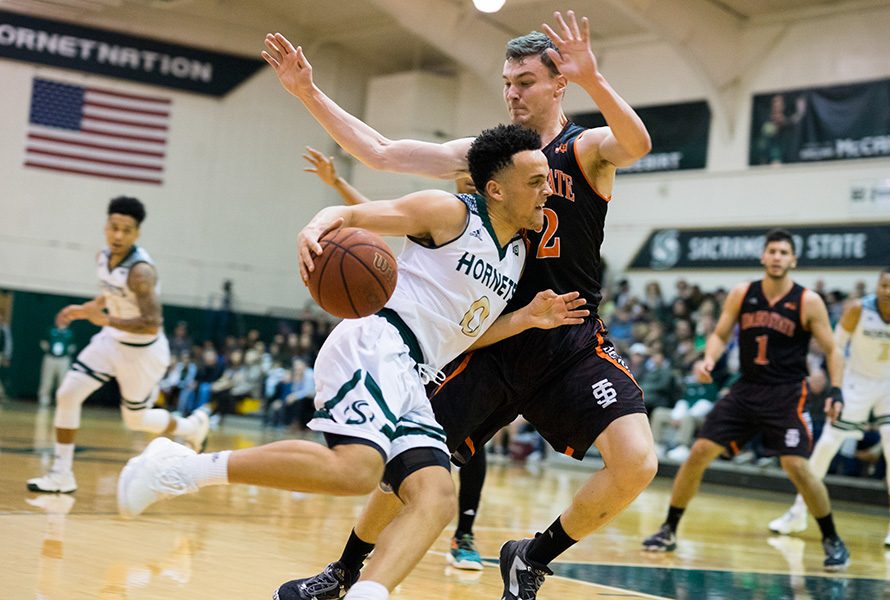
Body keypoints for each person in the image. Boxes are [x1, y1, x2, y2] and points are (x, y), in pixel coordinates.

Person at [262, 9, 654, 599]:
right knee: (405, 470)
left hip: (568, 337)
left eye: (525, 81)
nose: (513, 92)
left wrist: (596, 77)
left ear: (558, 83)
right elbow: (382, 151)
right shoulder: (487, 158)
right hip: (486, 338)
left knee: (636, 464)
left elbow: (637, 143)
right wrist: (308, 92)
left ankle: (533, 556)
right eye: (506, 81)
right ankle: (343, 570)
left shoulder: (586, 150)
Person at [116, 124, 590, 600]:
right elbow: (349, 214)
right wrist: (315, 226)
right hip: (377, 343)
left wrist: (527, 318)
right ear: (496, 189)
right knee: (357, 470)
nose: (547, 190)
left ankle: (368, 592)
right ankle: (177, 468)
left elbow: (463, 337)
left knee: (436, 497)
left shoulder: (515, 257)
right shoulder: (449, 214)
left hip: (416, 372)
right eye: (535, 182)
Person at [304, 146, 488, 570]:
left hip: (469, 345)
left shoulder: (506, 233)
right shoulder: (449, 218)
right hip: (419, 348)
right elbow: (375, 214)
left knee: (469, 448)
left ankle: (464, 533)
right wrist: (336, 185)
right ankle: (352, 564)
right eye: (463, 177)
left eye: (474, 178)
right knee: (395, 460)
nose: (469, 184)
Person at [641, 229, 851, 571]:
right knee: (698, 453)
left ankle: (831, 537)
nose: (778, 257)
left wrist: (837, 390)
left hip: (786, 393)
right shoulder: (743, 293)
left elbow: (832, 349)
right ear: (763, 257)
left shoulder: (807, 301)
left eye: (784, 252)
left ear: (793, 260)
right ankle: (669, 528)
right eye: (773, 251)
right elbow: (720, 334)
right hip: (746, 389)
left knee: (796, 465)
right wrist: (708, 359)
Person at [26, 196, 210, 494]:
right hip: (111, 341)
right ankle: (61, 474)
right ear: (105, 227)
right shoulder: (103, 257)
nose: (118, 235)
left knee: (136, 419)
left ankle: (191, 427)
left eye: (126, 230)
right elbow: (110, 295)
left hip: (142, 351)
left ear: (137, 234)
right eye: (114, 228)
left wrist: (104, 321)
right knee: (68, 393)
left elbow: (151, 321)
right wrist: (85, 310)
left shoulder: (141, 271)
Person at [768, 267, 890, 546]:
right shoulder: (857, 310)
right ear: (877, 286)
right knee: (827, 444)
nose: (888, 291)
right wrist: (833, 386)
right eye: (884, 285)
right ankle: (798, 512)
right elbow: (835, 347)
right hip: (856, 382)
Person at [38, 323, 76, 406]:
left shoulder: (70, 332)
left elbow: (73, 345)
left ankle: (61, 399)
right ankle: (44, 397)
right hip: (50, 357)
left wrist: (66, 353)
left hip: (64, 359)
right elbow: (43, 342)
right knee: (47, 378)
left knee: (63, 380)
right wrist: (49, 350)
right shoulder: (50, 330)